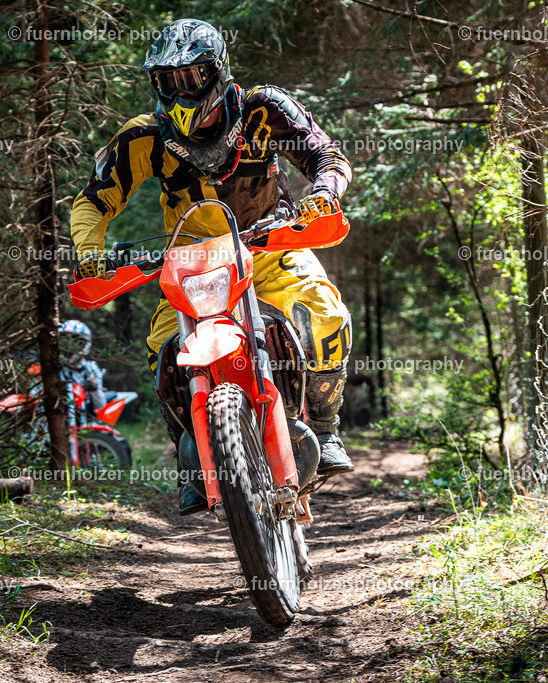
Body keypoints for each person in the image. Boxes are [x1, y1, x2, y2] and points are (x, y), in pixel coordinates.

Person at [70, 19, 354, 511]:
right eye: (168, 80)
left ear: (217, 72)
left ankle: (326, 431)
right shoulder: (144, 138)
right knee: (165, 348)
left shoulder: (263, 109)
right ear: (155, 84)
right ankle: (192, 459)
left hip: (269, 243)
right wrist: (89, 252)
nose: (181, 90)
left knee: (323, 312)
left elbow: (325, 154)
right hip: (194, 264)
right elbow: (92, 202)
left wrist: (325, 193)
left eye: (192, 77)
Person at [58, 319, 107, 419]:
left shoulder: (90, 368)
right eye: (65, 340)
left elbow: (100, 404)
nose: (70, 347)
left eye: (76, 341)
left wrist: (94, 388)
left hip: (86, 415)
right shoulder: (55, 366)